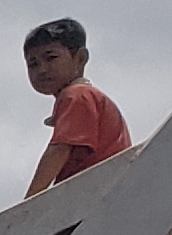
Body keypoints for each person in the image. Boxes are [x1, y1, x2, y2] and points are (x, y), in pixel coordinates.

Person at [23, 18, 132, 196]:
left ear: (79, 59)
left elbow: (59, 150)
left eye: (51, 58)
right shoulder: (84, 96)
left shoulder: (76, 95)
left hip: (93, 192)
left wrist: (28, 204)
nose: (42, 69)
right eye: (33, 64)